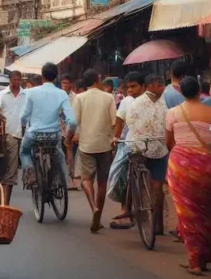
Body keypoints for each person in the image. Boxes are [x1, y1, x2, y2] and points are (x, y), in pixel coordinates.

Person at [165, 76, 211, 276]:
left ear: (181, 92)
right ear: (199, 91)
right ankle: (207, 253)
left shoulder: (172, 113)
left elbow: (169, 141)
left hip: (180, 164)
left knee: (187, 213)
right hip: (207, 165)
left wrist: (182, 157)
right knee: (206, 210)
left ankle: (195, 260)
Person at [117, 74, 170, 235]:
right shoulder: (163, 104)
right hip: (160, 148)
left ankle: (131, 209)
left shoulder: (134, 104)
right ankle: (158, 225)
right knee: (157, 186)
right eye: (159, 84)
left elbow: (130, 125)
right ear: (151, 84)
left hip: (138, 148)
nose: (162, 88)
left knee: (133, 178)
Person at [73, 68, 117, 233]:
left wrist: (70, 136)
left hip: (86, 144)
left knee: (86, 179)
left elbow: (74, 121)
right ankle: (98, 212)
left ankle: (93, 208)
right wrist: (114, 138)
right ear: (98, 80)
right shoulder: (108, 97)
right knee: (102, 182)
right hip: (105, 144)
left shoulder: (79, 98)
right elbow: (115, 121)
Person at [19, 63, 76, 188]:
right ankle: (56, 178)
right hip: (54, 136)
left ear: (42, 76)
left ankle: (30, 175)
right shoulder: (62, 94)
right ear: (56, 78)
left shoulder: (31, 92)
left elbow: (24, 116)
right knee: (59, 154)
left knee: (24, 152)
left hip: (34, 134)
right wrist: (68, 137)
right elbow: (72, 121)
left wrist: (23, 128)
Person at [110, 71, 146, 229]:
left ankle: (125, 208)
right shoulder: (151, 100)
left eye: (134, 86)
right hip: (147, 143)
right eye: (128, 87)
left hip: (132, 143)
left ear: (143, 86)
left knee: (120, 174)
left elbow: (119, 121)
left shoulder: (127, 102)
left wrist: (116, 139)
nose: (130, 90)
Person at [0, 70, 26, 202]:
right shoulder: (1, 95)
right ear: (10, 80)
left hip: (25, 134)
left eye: (18, 80)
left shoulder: (26, 94)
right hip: (8, 134)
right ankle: (5, 202)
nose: (16, 83)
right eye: (14, 80)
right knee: (9, 169)